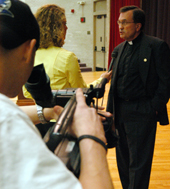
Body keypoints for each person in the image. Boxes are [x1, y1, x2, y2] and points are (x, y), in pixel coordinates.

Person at [0, 1, 114, 188]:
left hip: (41, 123)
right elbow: (80, 90)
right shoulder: (67, 57)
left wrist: (49, 112)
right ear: (29, 50)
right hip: (61, 133)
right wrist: (93, 138)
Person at [106, 5, 170, 189]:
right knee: (123, 160)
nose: (120, 26)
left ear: (138, 26)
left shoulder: (156, 46)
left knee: (139, 163)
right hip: (120, 112)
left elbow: (166, 82)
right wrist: (110, 113)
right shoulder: (118, 49)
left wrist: (152, 107)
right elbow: (115, 85)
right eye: (119, 22)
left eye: (124, 23)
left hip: (142, 111)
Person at [22, 4, 112, 99]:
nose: (66, 28)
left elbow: (26, 93)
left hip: (36, 112)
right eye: (64, 23)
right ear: (55, 28)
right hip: (63, 111)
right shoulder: (67, 57)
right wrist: (102, 79)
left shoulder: (28, 55)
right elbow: (82, 91)